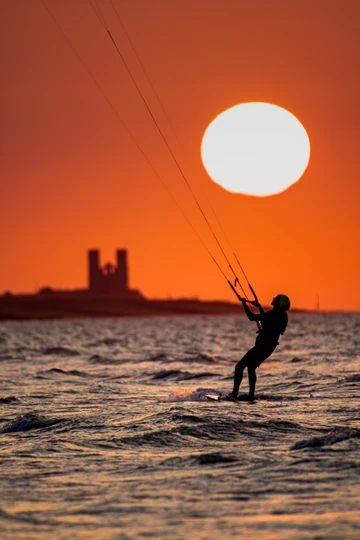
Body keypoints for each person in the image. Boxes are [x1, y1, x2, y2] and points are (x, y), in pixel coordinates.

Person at [231, 294, 290, 401]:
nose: (273, 298)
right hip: (268, 348)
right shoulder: (282, 315)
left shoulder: (274, 314)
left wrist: (244, 303)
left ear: (279, 303)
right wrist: (258, 306)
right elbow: (267, 321)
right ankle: (251, 396)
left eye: (275, 298)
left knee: (239, 367)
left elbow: (252, 317)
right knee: (251, 367)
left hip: (262, 347)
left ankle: (234, 395)